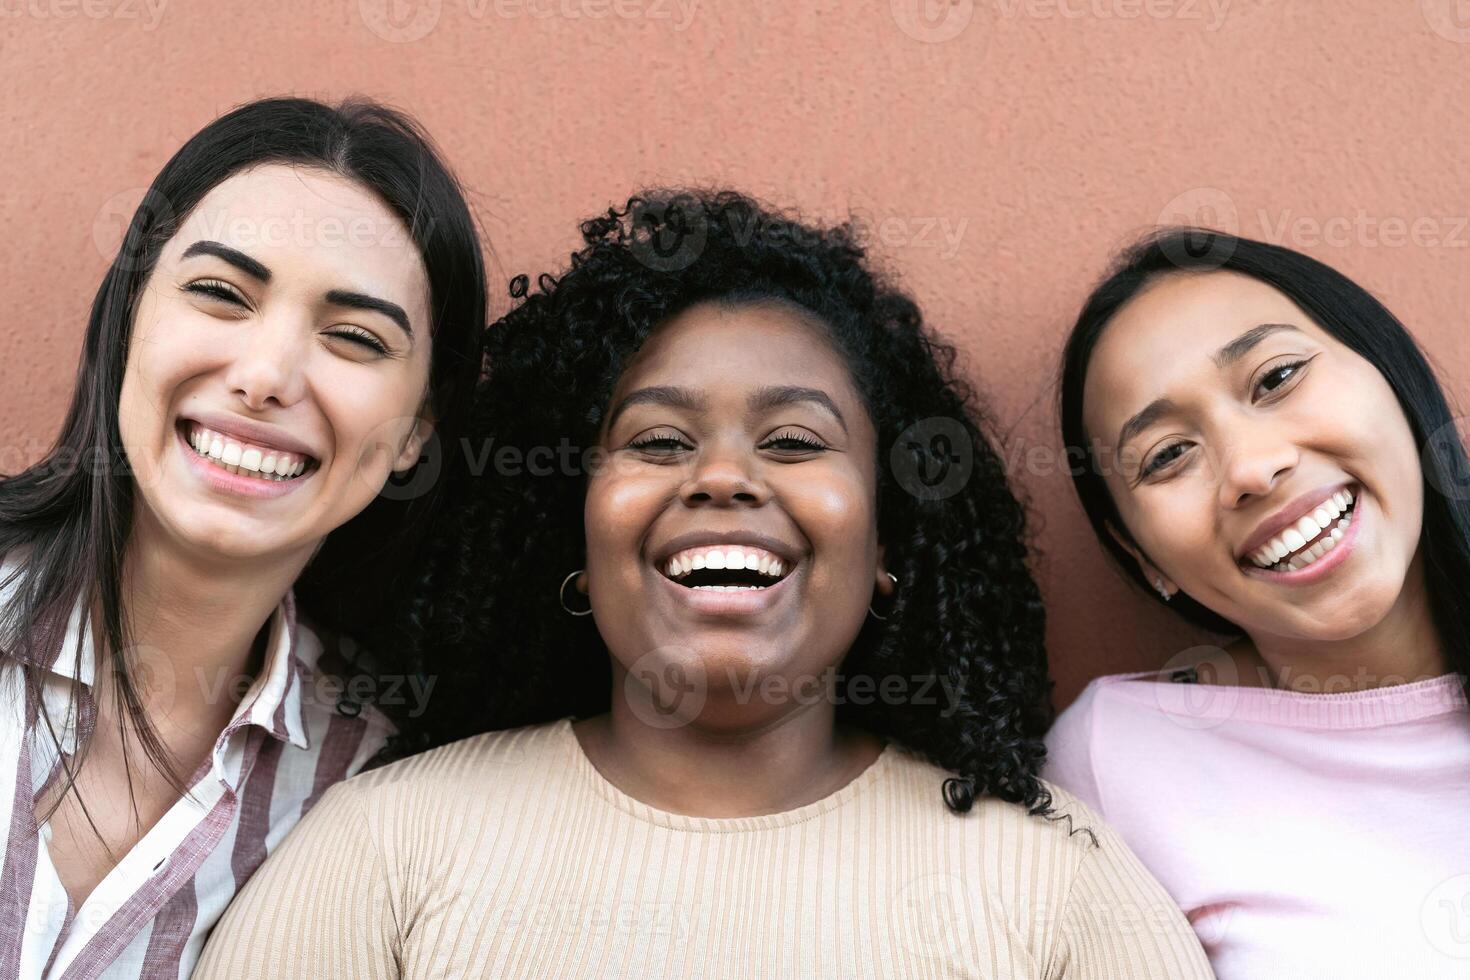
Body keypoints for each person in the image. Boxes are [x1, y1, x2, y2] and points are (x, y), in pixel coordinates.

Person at [197, 190, 1212, 979]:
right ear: (574, 532)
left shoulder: (1054, 882)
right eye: (659, 439)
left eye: (793, 439)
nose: (724, 476)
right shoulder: (385, 849)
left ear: (892, 537)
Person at [0, 96, 487, 977]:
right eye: (221, 293)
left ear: (418, 426)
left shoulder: (371, 783)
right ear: (127, 323)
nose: (265, 377)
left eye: (355, 337)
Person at [1047, 228, 1470, 977]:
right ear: (1143, 556)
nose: (1252, 466)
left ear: (1391, 376)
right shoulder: (1116, 760)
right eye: (1168, 455)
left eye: (1275, 378)